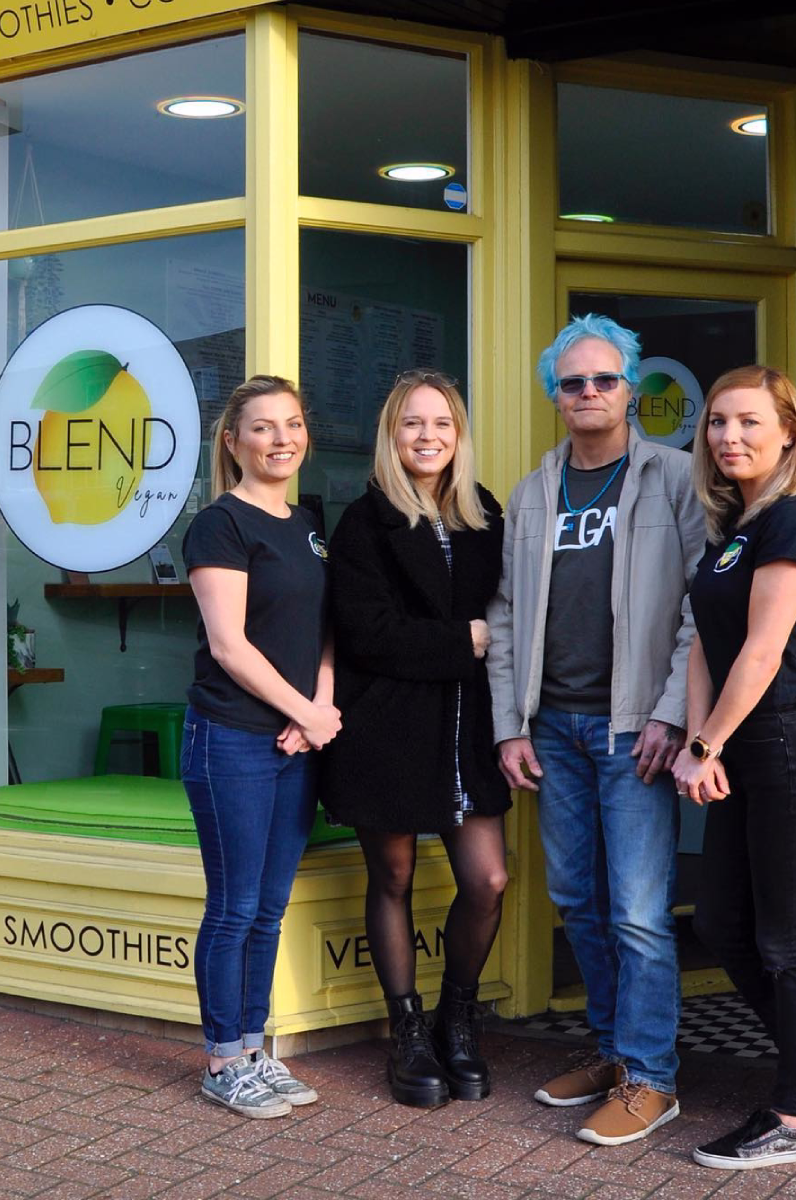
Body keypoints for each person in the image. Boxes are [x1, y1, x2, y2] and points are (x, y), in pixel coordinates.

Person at [487, 314, 705, 1145]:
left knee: (641, 913)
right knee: (578, 901)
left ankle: (654, 1080)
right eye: (572, 382)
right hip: (555, 733)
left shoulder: (676, 478)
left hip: (632, 733)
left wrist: (670, 715)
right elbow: (505, 618)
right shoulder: (532, 492)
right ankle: (615, 1054)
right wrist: (513, 726)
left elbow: (700, 610)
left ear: (631, 389)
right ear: (555, 395)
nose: (588, 393)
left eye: (604, 380)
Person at [672, 365, 796, 1169]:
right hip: (741, 751)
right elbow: (705, 646)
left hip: (790, 747)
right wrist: (695, 741)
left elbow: (764, 650)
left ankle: (791, 1119)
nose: (728, 437)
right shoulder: (733, 528)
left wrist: (707, 743)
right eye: (715, 422)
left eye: (748, 422)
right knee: (719, 924)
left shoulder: (795, 524)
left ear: (789, 433)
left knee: (786, 942)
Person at [322, 369, 510, 1109]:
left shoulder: (484, 513)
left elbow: (510, 614)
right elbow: (366, 634)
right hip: (387, 727)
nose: (427, 436)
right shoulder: (362, 522)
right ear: (390, 436)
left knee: (488, 880)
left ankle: (454, 1021)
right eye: (411, 424)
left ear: (458, 435)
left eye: (441, 423)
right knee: (393, 878)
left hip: (468, 730)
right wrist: (460, 640)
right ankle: (406, 1034)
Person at [180, 374, 341, 1119]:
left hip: (295, 737)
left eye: (293, 424)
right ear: (233, 440)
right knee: (236, 905)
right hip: (233, 738)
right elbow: (230, 647)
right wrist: (303, 710)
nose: (282, 439)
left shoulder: (308, 521)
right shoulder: (219, 524)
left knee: (270, 906)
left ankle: (254, 1047)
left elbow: (325, 631)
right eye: (264, 427)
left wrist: (321, 709)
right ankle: (222, 1060)